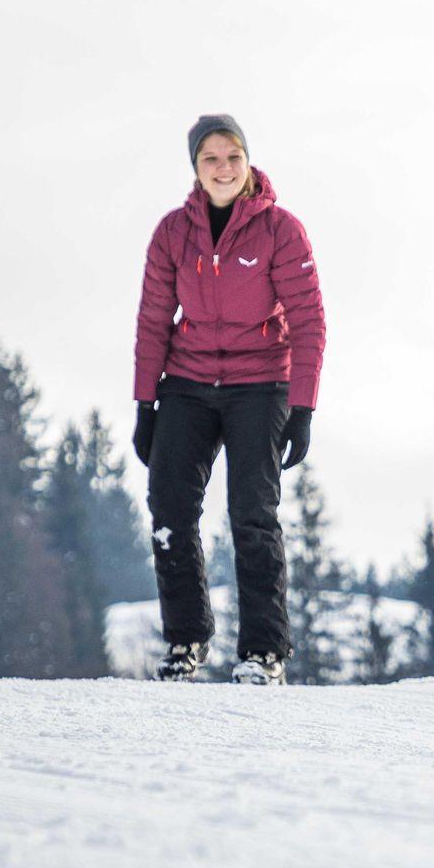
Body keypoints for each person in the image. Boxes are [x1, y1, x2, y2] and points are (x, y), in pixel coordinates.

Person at [132, 114, 327, 684]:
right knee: (169, 506)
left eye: (233, 156)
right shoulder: (173, 232)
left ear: (248, 161)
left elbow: (309, 321)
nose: (224, 168)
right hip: (188, 382)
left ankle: (264, 653)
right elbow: (153, 320)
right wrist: (145, 405)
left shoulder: (280, 230)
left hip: (260, 384)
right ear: (195, 167)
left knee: (252, 513)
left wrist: (303, 407)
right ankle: (185, 640)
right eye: (211, 158)